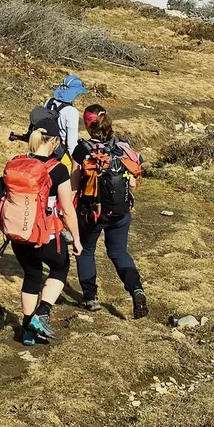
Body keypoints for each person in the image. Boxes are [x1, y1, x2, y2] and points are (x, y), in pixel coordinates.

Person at [3, 126, 82, 345]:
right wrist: (76, 237)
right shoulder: (57, 170)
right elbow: (67, 209)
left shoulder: (15, 163)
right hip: (46, 234)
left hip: (18, 233)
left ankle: (27, 330)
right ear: (53, 141)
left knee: (31, 274)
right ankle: (42, 313)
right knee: (60, 267)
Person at [74, 105, 147, 319]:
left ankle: (90, 297)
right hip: (121, 212)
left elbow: (73, 186)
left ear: (88, 125)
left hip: (93, 213)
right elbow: (133, 184)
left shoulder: (82, 150)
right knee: (119, 252)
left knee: (86, 250)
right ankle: (136, 289)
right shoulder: (124, 147)